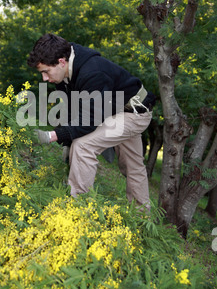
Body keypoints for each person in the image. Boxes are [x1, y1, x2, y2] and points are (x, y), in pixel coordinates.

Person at [27, 33, 155, 211]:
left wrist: (50, 136)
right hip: (111, 110)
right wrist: (66, 140)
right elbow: (74, 110)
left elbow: (89, 121)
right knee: (132, 165)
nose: (44, 79)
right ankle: (143, 217)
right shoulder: (64, 73)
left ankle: (77, 210)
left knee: (84, 146)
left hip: (134, 113)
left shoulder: (92, 72)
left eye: (45, 72)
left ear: (61, 61)